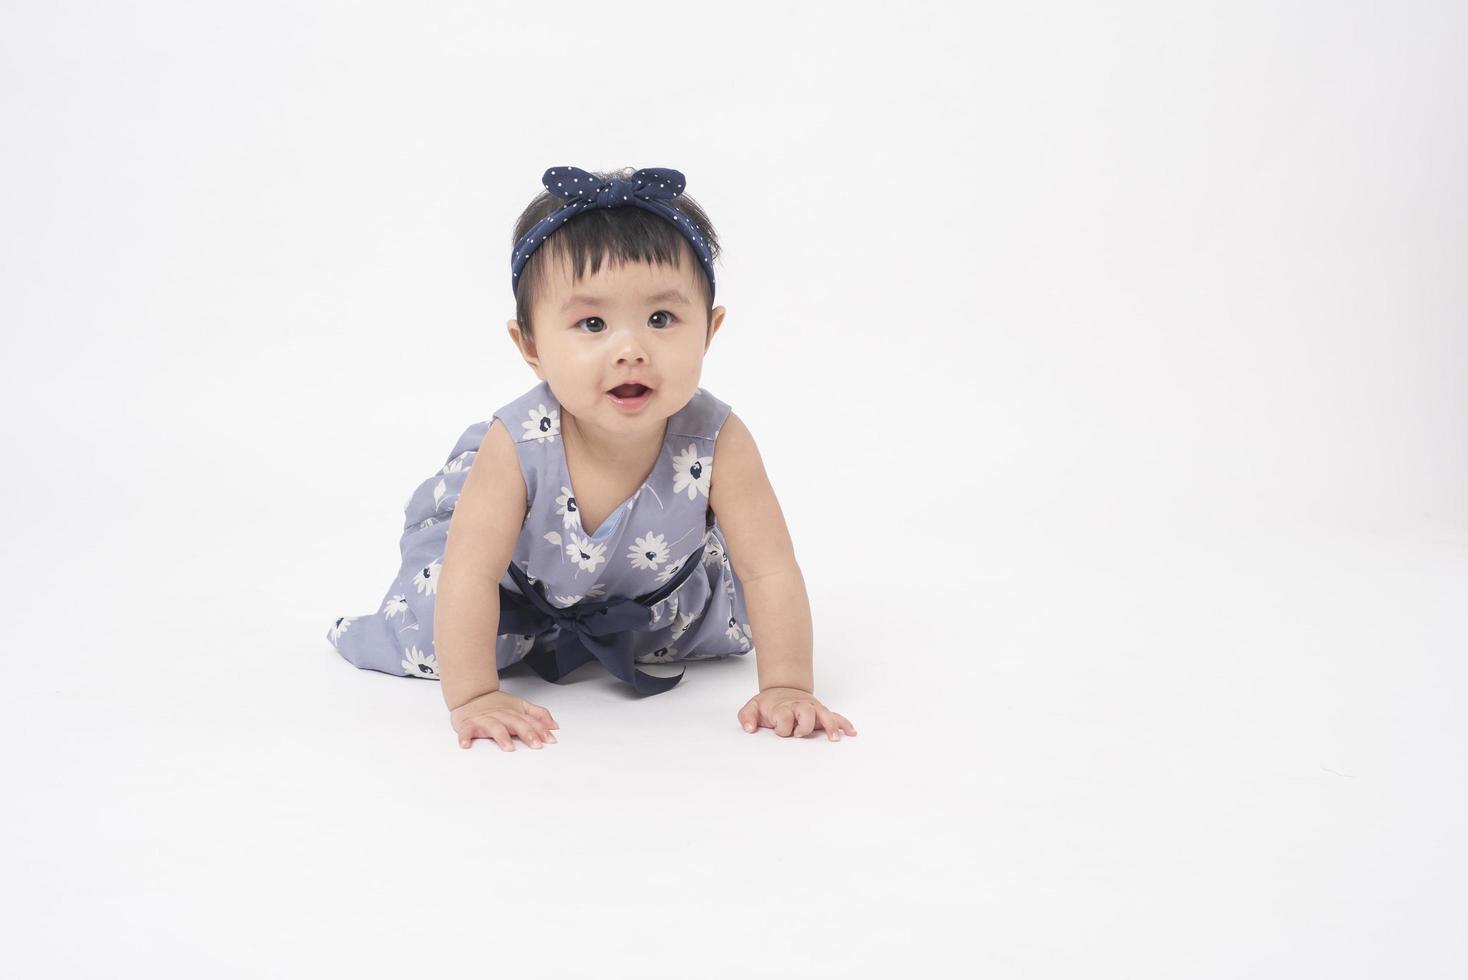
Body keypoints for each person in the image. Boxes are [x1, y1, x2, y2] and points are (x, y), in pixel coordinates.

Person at [327, 165, 857, 751]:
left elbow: (769, 568)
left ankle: (629, 632)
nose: (630, 349)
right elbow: (472, 573)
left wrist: (787, 686)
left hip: (652, 597)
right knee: (438, 627)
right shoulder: (519, 444)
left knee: (736, 620)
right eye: (592, 323)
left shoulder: (719, 440)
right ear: (531, 346)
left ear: (709, 330)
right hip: (509, 594)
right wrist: (475, 695)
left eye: (661, 319)